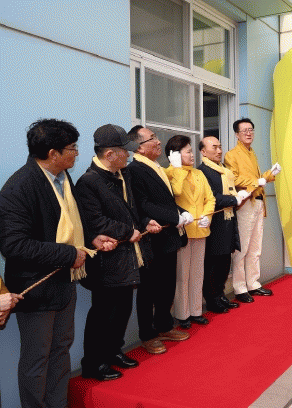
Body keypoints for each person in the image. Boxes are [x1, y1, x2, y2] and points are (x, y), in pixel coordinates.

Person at [0, 119, 100, 407]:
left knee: (60, 351)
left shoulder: (62, 178)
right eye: (72, 148)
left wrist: (92, 239)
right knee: (37, 359)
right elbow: (13, 245)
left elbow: (71, 224)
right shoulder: (19, 187)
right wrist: (69, 255)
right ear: (53, 154)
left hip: (64, 283)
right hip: (36, 289)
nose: (77, 153)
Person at [75, 124, 157, 381]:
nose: (129, 155)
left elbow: (134, 209)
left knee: (122, 309)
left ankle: (113, 351)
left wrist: (144, 222)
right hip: (107, 261)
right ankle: (93, 363)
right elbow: (94, 221)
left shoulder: (123, 175)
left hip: (128, 257)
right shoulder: (88, 182)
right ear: (109, 154)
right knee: (103, 313)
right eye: (125, 150)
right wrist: (126, 231)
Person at [127, 125, 190, 355]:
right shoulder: (135, 170)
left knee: (167, 285)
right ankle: (148, 334)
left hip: (168, 237)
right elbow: (144, 204)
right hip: (152, 240)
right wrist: (175, 217)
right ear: (139, 147)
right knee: (148, 290)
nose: (158, 141)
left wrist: (182, 212)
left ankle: (164, 325)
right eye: (152, 138)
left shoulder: (156, 167)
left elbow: (166, 201)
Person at [224, 118, 281, 303]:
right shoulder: (231, 155)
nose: (249, 133)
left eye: (251, 130)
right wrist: (258, 181)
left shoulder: (251, 152)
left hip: (258, 201)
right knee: (242, 248)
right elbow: (235, 179)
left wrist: (270, 174)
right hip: (245, 203)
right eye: (245, 130)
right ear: (237, 135)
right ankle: (240, 288)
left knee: (255, 247)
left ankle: (253, 283)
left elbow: (257, 180)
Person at [164, 135, 215, 329]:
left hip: (200, 230)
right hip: (182, 233)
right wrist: (177, 169)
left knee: (197, 273)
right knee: (182, 275)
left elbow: (210, 198)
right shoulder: (168, 173)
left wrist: (207, 215)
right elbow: (175, 193)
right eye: (187, 151)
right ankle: (182, 314)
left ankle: (196, 311)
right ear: (176, 155)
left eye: (191, 151)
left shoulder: (199, 174)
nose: (192, 155)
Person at [198, 136, 249, 313]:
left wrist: (238, 197)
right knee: (213, 264)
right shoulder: (202, 172)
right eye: (214, 147)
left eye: (220, 147)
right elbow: (212, 197)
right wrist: (234, 199)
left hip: (228, 220)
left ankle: (220, 295)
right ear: (203, 151)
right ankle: (212, 300)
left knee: (224, 262)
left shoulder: (224, 170)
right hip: (214, 223)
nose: (219, 151)